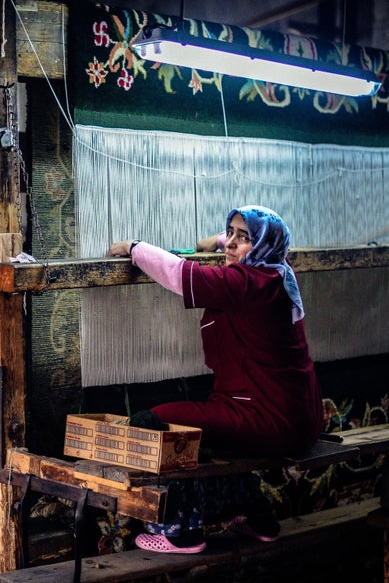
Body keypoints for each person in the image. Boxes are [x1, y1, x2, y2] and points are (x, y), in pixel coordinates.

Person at [107, 205, 323, 553]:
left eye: (244, 237)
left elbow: (179, 274)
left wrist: (134, 248)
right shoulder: (279, 272)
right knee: (214, 435)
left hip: (269, 421)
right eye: (231, 233)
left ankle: (181, 532)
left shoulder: (247, 282)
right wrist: (220, 240)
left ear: (265, 244)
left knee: (158, 421)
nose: (232, 244)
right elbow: (242, 245)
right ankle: (259, 518)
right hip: (301, 419)